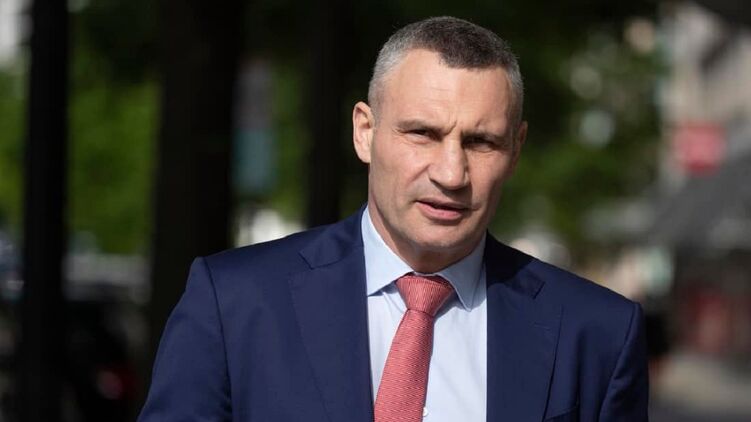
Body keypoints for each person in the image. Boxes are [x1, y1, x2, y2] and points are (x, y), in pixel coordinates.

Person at [139, 16, 648, 422]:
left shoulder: (595, 333)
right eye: (423, 133)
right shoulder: (235, 304)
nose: (451, 173)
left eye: (481, 142)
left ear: (515, 150)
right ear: (365, 132)